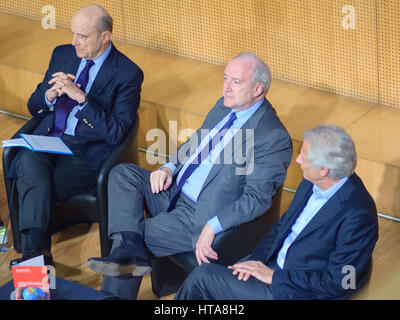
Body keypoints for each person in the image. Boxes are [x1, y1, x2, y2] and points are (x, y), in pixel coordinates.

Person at [87, 52, 293, 299]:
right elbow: (196, 142)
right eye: (225, 78)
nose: (226, 87)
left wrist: (212, 226)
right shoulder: (224, 105)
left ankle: (116, 282)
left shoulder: (271, 136)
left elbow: (257, 199)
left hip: (198, 214)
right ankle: (129, 247)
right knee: (123, 174)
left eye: (235, 82)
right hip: (174, 189)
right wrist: (168, 168)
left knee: (130, 238)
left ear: (258, 88)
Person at [7, 4, 144, 268]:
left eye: (82, 36)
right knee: (26, 160)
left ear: (105, 36)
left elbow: (117, 132)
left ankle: (33, 259)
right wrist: (50, 95)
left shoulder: (128, 73)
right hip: (49, 139)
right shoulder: (63, 54)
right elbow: (33, 106)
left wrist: (81, 99)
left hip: (85, 152)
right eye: (73, 34)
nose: (74, 42)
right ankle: (38, 259)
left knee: (33, 182)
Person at [175, 125, 379, 300]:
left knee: (202, 278)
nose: (298, 160)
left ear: (324, 170)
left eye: (304, 156)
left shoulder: (358, 215)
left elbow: (339, 282)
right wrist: (255, 260)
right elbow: (282, 228)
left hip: (291, 289)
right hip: (270, 266)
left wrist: (274, 277)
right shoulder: (312, 182)